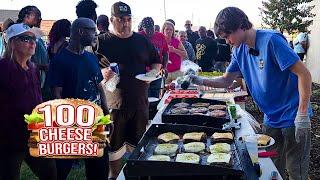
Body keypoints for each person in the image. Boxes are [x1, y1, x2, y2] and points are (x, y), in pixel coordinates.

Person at [190, 7, 312, 180]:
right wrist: (200, 80)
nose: (227, 42)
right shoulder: (239, 50)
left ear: (241, 26)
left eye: (227, 36)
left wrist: (302, 114)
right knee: (271, 168)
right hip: (271, 117)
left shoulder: (271, 40)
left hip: (293, 116)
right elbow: (226, 80)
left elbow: (304, 74)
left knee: (296, 171)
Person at [96, 2, 161, 179]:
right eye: (120, 19)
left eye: (128, 19)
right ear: (111, 20)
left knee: (138, 150)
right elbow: (90, 67)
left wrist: (154, 72)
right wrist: (101, 72)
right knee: (114, 152)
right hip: (113, 106)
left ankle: (137, 175)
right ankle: (113, 176)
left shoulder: (141, 40)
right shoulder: (101, 41)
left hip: (139, 104)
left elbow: (156, 60)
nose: (125, 23)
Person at [47, 18, 110, 180]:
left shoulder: (91, 57)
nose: (95, 34)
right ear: (80, 31)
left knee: (99, 170)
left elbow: (99, 87)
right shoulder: (60, 60)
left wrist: (106, 114)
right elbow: (56, 94)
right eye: (92, 30)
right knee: (61, 171)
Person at [0, 23, 57, 180]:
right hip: (9, 139)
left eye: (34, 39)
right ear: (12, 43)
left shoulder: (32, 68)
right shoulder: (3, 68)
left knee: (50, 174)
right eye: (26, 38)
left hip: (34, 135)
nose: (33, 42)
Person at [17, 6, 49, 90]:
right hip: (27, 84)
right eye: (37, 16)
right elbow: (18, 63)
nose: (40, 19)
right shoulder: (21, 36)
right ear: (26, 17)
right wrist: (44, 66)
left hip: (38, 84)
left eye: (40, 16)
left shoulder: (37, 37)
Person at [139, 17, 169, 98]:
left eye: (151, 28)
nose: (149, 31)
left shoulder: (161, 36)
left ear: (154, 26)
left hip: (157, 72)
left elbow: (165, 53)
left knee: (156, 97)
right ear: (143, 28)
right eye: (147, 29)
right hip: (143, 74)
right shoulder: (138, 37)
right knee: (145, 97)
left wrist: (165, 67)